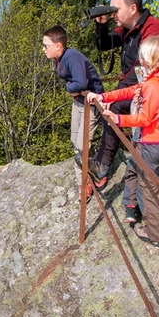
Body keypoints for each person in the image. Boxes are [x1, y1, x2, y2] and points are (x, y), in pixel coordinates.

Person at [86, 0, 159, 223]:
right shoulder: (128, 28)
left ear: (133, 8)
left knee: (112, 108)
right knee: (111, 106)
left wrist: (115, 95)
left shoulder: (152, 27)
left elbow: (150, 66)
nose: (114, 13)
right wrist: (102, 24)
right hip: (136, 86)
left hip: (146, 90)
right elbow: (104, 45)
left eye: (116, 9)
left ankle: (102, 166)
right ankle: (103, 164)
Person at [87, 35, 159, 251]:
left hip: (152, 143)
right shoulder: (152, 80)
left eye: (142, 57)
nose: (140, 61)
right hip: (147, 141)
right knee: (133, 169)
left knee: (149, 190)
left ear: (150, 60)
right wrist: (104, 97)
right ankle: (130, 206)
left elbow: (145, 118)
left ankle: (157, 236)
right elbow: (130, 91)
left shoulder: (156, 85)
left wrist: (118, 119)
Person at [42, 25, 104, 201]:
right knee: (75, 140)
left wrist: (69, 88)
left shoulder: (72, 57)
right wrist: (71, 89)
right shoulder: (59, 58)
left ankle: (88, 181)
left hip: (91, 103)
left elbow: (80, 83)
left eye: (46, 45)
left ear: (58, 45)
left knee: (82, 146)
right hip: (79, 102)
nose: (43, 49)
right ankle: (90, 175)